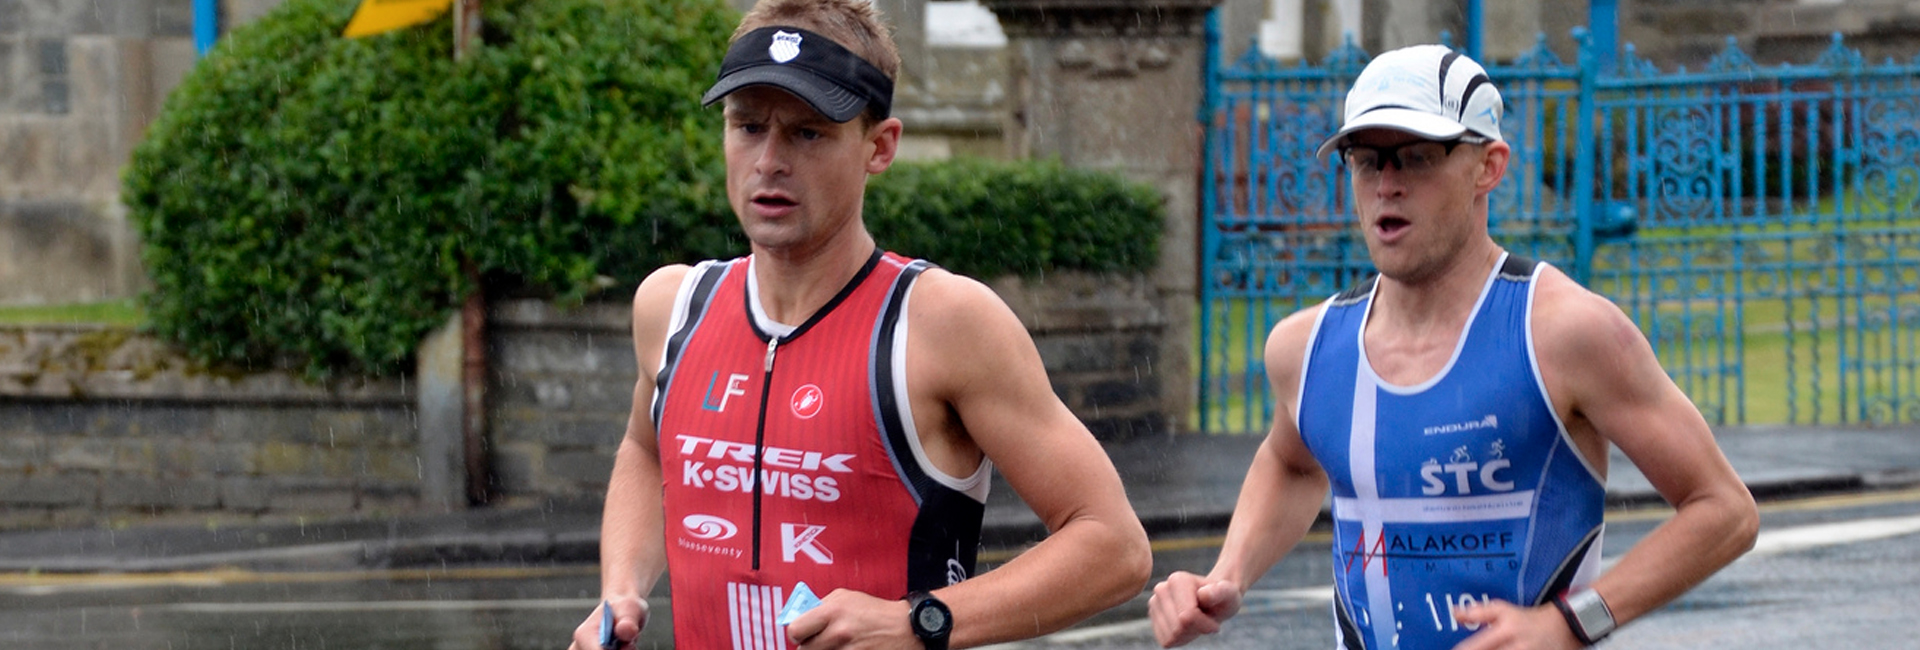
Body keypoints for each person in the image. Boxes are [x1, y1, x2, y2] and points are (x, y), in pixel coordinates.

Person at [568, 1, 1151, 648]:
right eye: (748, 126)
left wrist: (919, 622)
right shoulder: (673, 305)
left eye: (808, 133)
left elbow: (1114, 546)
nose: (768, 160)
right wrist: (620, 591)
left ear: (880, 147)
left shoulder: (941, 323)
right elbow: (648, 453)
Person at [1148, 45, 1759, 650]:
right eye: (1366, 162)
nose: (1387, 185)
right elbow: (1293, 462)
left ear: (1488, 167)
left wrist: (1569, 624)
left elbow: (1723, 510)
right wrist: (1228, 574)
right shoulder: (1305, 349)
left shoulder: (1564, 332)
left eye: (1416, 157)